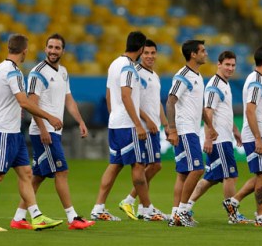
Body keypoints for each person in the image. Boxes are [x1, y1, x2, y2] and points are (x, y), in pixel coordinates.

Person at [0, 33, 63, 232]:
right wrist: (49, 117)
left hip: (14, 133)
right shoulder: (14, 73)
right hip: (3, 132)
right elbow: (24, 101)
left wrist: (9, 106)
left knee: (26, 173)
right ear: (25, 51)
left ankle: (36, 216)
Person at [10, 33, 95, 230]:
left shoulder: (63, 72)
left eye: (57, 48)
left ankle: (18, 218)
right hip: (43, 132)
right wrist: (42, 130)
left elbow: (69, 99)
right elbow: (32, 105)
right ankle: (73, 218)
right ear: (45, 48)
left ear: (63, 51)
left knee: (38, 177)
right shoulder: (37, 72)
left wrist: (80, 120)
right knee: (62, 171)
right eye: (50, 47)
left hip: (53, 131)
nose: (53, 51)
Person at [90, 31, 162, 222]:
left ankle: (98, 207)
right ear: (140, 49)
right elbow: (125, 96)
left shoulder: (114, 64)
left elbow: (108, 95)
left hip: (115, 123)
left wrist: (115, 115)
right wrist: (138, 124)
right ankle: (147, 209)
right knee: (138, 166)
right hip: (128, 125)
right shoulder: (129, 68)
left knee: (114, 165)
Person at [186, 51, 250, 224]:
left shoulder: (224, 84)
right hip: (219, 140)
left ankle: (185, 208)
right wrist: (208, 138)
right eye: (227, 64)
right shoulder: (214, 85)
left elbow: (225, 113)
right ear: (219, 64)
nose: (230, 68)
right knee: (230, 176)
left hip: (224, 136)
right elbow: (208, 112)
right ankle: (233, 215)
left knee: (211, 178)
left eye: (233, 65)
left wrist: (235, 130)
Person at [222, 46, 262, 227]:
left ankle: (234, 201)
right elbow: (250, 110)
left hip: (261, 134)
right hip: (257, 135)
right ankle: (261, 216)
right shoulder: (255, 81)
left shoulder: (260, 80)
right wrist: (258, 138)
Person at [166, 40, 217, 227]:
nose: (206, 53)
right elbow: (170, 101)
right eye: (203, 51)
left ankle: (174, 214)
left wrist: (210, 126)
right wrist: (172, 129)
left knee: (183, 173)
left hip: (192, 129)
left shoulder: (197, 75)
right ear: (193, 55)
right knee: (197, 169)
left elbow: (200, 106)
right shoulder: (183, 76)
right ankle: (182, 211)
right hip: (185, 130)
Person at [118, 39, 168, 220]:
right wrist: (146, 120)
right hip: (142, 128)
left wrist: (166, 125)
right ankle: (145, 208)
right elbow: (131, 100)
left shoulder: (155, 75)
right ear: (140, 54)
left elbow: (157, 104)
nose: (150, 56)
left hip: (154, 129)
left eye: (153, 53)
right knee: (145, 166)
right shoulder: (136, 73)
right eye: (146, 53)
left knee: (154, 166)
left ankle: (134, 202)